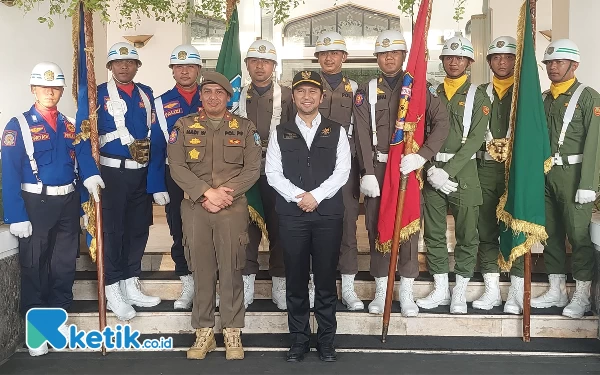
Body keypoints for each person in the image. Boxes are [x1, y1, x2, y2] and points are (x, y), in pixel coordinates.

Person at [1, 62, 104, 356]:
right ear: (33, 89)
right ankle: (36, 334)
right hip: (35, 204)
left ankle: (55, 326)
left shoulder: (70, 124)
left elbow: (82, 156)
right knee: (34, 268)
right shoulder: (18, 125)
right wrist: (16, 215)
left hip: (68, 202)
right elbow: (8, 171)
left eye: (55, 87)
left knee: (63, 268)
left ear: (61, 91)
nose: (50, 92)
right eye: (44, 87)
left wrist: (92, 176)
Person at [353, 30, 450, 316]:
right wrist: (366, 172)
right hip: (379, 169)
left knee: (408, 231)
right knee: (377, 227)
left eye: (394, 53)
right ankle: (381, 292)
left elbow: (441, 123)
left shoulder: (419, 89)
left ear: (404, 56)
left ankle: (406, 292)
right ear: (377, 58)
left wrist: (422, 156)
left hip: (408, 168)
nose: (388, 58)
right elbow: (360, 133)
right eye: (383, 54)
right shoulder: (366, 90)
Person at [168, 71, 261, 360]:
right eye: (207, 91)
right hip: (196, 207)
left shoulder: (245, 128)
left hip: (232, 209)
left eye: (218, 92)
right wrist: (208, 193)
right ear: (200, 95)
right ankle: (204, 331)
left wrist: (223, 195)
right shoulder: (183, 126)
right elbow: (177, 166)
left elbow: (252, 169)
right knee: (202, 268)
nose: (212, 97)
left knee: (232, 268)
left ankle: (233, 330)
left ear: (228, 96)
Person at [266, 71, 351, 362]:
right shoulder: (280, 132)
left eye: (312, 92)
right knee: (296, 280)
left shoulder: (337, 130)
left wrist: (317, 196)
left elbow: (343, 171)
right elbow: (272, 173)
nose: (306, 96)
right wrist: (299, 197)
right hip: (292, 215)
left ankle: (326, 341)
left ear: (322, 97)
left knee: (327, 280)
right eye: (301, 91)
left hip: (327, 213)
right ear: (294, 96)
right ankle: (299, 340)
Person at [415, 36, 490, 314]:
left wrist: (447, 173)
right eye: (449, 57)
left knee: (467, 235)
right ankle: (440, 288)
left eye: (460, 58)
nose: (454, 62)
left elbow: (474, 141)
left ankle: (459, 291)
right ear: (442, 61)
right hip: (432, 170)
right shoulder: (430, 92)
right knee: (433, 233)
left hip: (464, 173)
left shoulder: (478, 96)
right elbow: (421, 132)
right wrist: (430, 167)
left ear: (469, 62)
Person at [532, 39, 600, 318]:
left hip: (574, 176)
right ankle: (556, 288)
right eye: (548, 63)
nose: (553, 67)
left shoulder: (588, 97)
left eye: (559, 62)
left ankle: (582, 294)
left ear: (575, 65)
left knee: (579, 236)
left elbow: (595, 144)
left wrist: (588, 185)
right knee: (550, 235)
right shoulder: (545, 98)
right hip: (546, 175)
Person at [98, 42, 165, 321]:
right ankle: (112, 287)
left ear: (137, 66)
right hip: (112, 173)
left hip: (140, 172)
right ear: (111, 66)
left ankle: (130, 281)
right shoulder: (96, 94)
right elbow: (84, 135)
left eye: (130, 62)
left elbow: (156, 135)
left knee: (138, 230)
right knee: (113, 232)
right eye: (119, 62)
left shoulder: (146, 94)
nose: (124, 66)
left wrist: (156, 181)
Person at [239, 39, 294, 310]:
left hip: (279, 173)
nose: (260, 66)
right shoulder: (236, 96)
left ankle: (280, 282)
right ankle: (246, 280)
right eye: (255, 61)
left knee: (280, 228)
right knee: (245, 231)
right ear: (247, 65)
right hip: (243, 174)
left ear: (274, 65)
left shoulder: (288, 95)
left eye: (266, 61)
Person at [472, 36, 524, 313]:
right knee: (486, 229)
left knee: (517, 226)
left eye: (508, 57)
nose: (502, 62)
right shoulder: (479, 93)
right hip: (485, 168)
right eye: (497, 57)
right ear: (489, 61)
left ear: (517, 61)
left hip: (517, 169)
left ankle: (516, 291)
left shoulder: (527, 93)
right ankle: (492, 289)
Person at [313, 31, 362, 310]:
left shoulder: (356, 89)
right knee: (310, 225)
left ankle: (350, 287)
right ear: (317, 57)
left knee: (346, 226)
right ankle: (314, 284)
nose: (329, 58)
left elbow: (362, 130)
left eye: (334, 53)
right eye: (323, 53)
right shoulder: (306, 85)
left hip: (345, 168)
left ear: (344, 57)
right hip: (310, 167)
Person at [154, 44, 204, 310]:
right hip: (173, 175)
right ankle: (188, 282)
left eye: (190, 66)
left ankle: (208, 284)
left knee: (210, 230)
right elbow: (155, 146)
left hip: (208, 175)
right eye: (179, 66)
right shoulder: (160, 103)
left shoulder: (212, 96)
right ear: (173, 71)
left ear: (198, 69)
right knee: (179, 230)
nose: (184, 71)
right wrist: (155, 183)